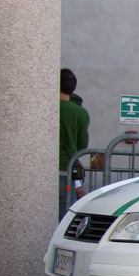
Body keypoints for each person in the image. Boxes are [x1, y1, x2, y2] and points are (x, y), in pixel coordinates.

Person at [59, 68, 90, 219]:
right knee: (64, 217)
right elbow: (81, 147)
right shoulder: (80, 113)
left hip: (41, 172)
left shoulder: (45, 107)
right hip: (66, 171)